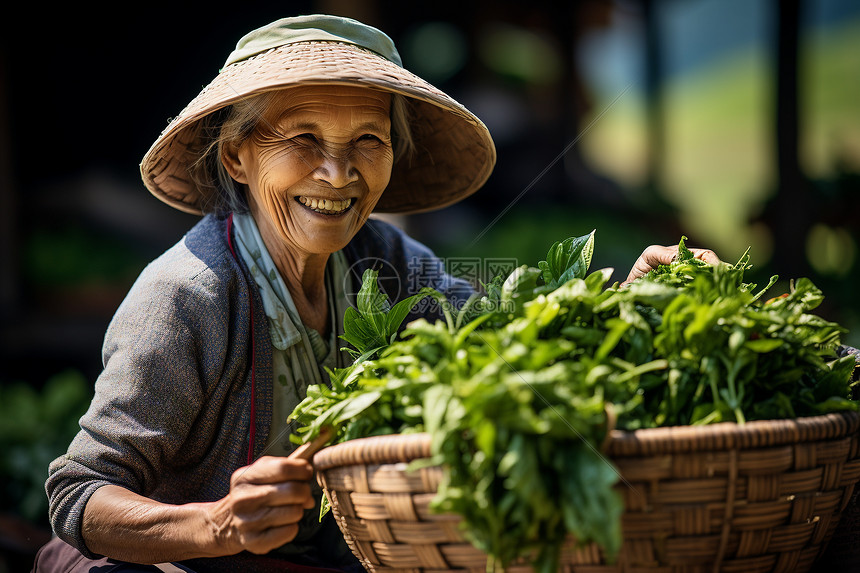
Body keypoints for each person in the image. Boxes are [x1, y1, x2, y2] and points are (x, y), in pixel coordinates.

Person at [33, 14, 719, 573]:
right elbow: (77, 492)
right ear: (238, 157)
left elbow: (504, 338)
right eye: (302, 138)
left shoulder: (383, 260)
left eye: (368, 139)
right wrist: (212, 523)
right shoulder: (189, 297)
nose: (337, 172)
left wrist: (622, 302)